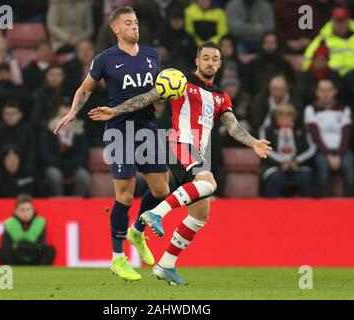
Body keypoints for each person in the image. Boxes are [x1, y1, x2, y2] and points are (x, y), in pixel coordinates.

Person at [88, 41, 272, 285]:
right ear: (197, 61)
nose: (209, 62)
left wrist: (253, 143)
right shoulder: (180, 81)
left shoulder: (221, 97)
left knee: (200, 215)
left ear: (220, 63)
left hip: (199, 153)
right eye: (204, 57)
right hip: (180, 144)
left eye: (213, 59)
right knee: (209, 182)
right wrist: (116, 111)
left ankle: (165, 264)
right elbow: (147, 97)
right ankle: (155, 214)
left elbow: (233, 126)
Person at [54, 6, 171, 281]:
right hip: (120, 131)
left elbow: (158, 91)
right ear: (116, 29)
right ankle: (118, 257)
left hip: (148, 129)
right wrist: (73, 112)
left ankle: (137, 233)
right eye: (128, 23)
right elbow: (85, 90)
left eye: (136, 22)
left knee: (161, 190)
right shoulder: (105, 59)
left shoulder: (152, 55)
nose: (134, 26)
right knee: (125, 196)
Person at [304, 79, 354, 197]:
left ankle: (351, 205)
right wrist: (328, 154)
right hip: (321, 151)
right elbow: (314, 135)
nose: (325, 93)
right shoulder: (311, 109)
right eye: (322, 90)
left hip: (342, 151)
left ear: (334, 92)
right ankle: (324, 205)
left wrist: (338, 154)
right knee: (322, 171)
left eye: (328, 90)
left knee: (350, 169)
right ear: (316, 92)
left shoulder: (343, 109)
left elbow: (346, 134)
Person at [260, 102, 316, 197]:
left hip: (298, 166)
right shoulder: (267, 130)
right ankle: (269, 208)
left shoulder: (303, 130)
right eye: (281, 114)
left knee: (305, 177)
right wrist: (282, 162)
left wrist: (297, 161)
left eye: (288, 114)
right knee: (276, 178)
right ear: (276, 117)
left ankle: (307, 207)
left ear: (294, 116)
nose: (284, 117)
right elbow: (264, 149)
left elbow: (311, 149)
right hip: (275, 166)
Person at [41, 104, 91, 197]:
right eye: (62, 117)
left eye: (69, 118)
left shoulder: (80, 132)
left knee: (83, 176)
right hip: (55, 166)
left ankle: (77, 200)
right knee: (54, 175)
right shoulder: (48, 132)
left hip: (75, 166)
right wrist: (60, 164)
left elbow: (84, 154)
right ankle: (59, 200)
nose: (65, 121)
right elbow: (45, 154)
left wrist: (71, 164)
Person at [303, 7, 354, 76]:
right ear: (332, 22)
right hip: (332, 77)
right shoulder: (323, 39)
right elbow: (308, 58)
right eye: (337, 21)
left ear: (349, 21)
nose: (340, 25)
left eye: (343, 21)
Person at [0, 194, 55, 265]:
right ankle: (11, 272)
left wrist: (19, 245)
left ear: (33, 210)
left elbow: (41, 246)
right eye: (22, 210)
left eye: (28, 209)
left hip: (34, 257)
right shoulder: (9, 223)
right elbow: (5, 246)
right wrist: (30, 246)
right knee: (2, 251)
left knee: (50, 250)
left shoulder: (40, 222)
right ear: (15, 211)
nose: (25, 213)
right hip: (16, 257)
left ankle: (41, 272)